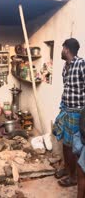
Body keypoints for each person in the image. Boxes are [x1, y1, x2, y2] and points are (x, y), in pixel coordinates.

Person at [53, 38, 85, 190]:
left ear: (66, 49)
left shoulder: (81, 64)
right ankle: (67, 168)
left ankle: (73, 177)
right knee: (65, 144)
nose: (61, 51)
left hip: (77, 113)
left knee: (73, 147)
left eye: (62, 48)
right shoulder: (65, 67)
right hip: (65, 109)